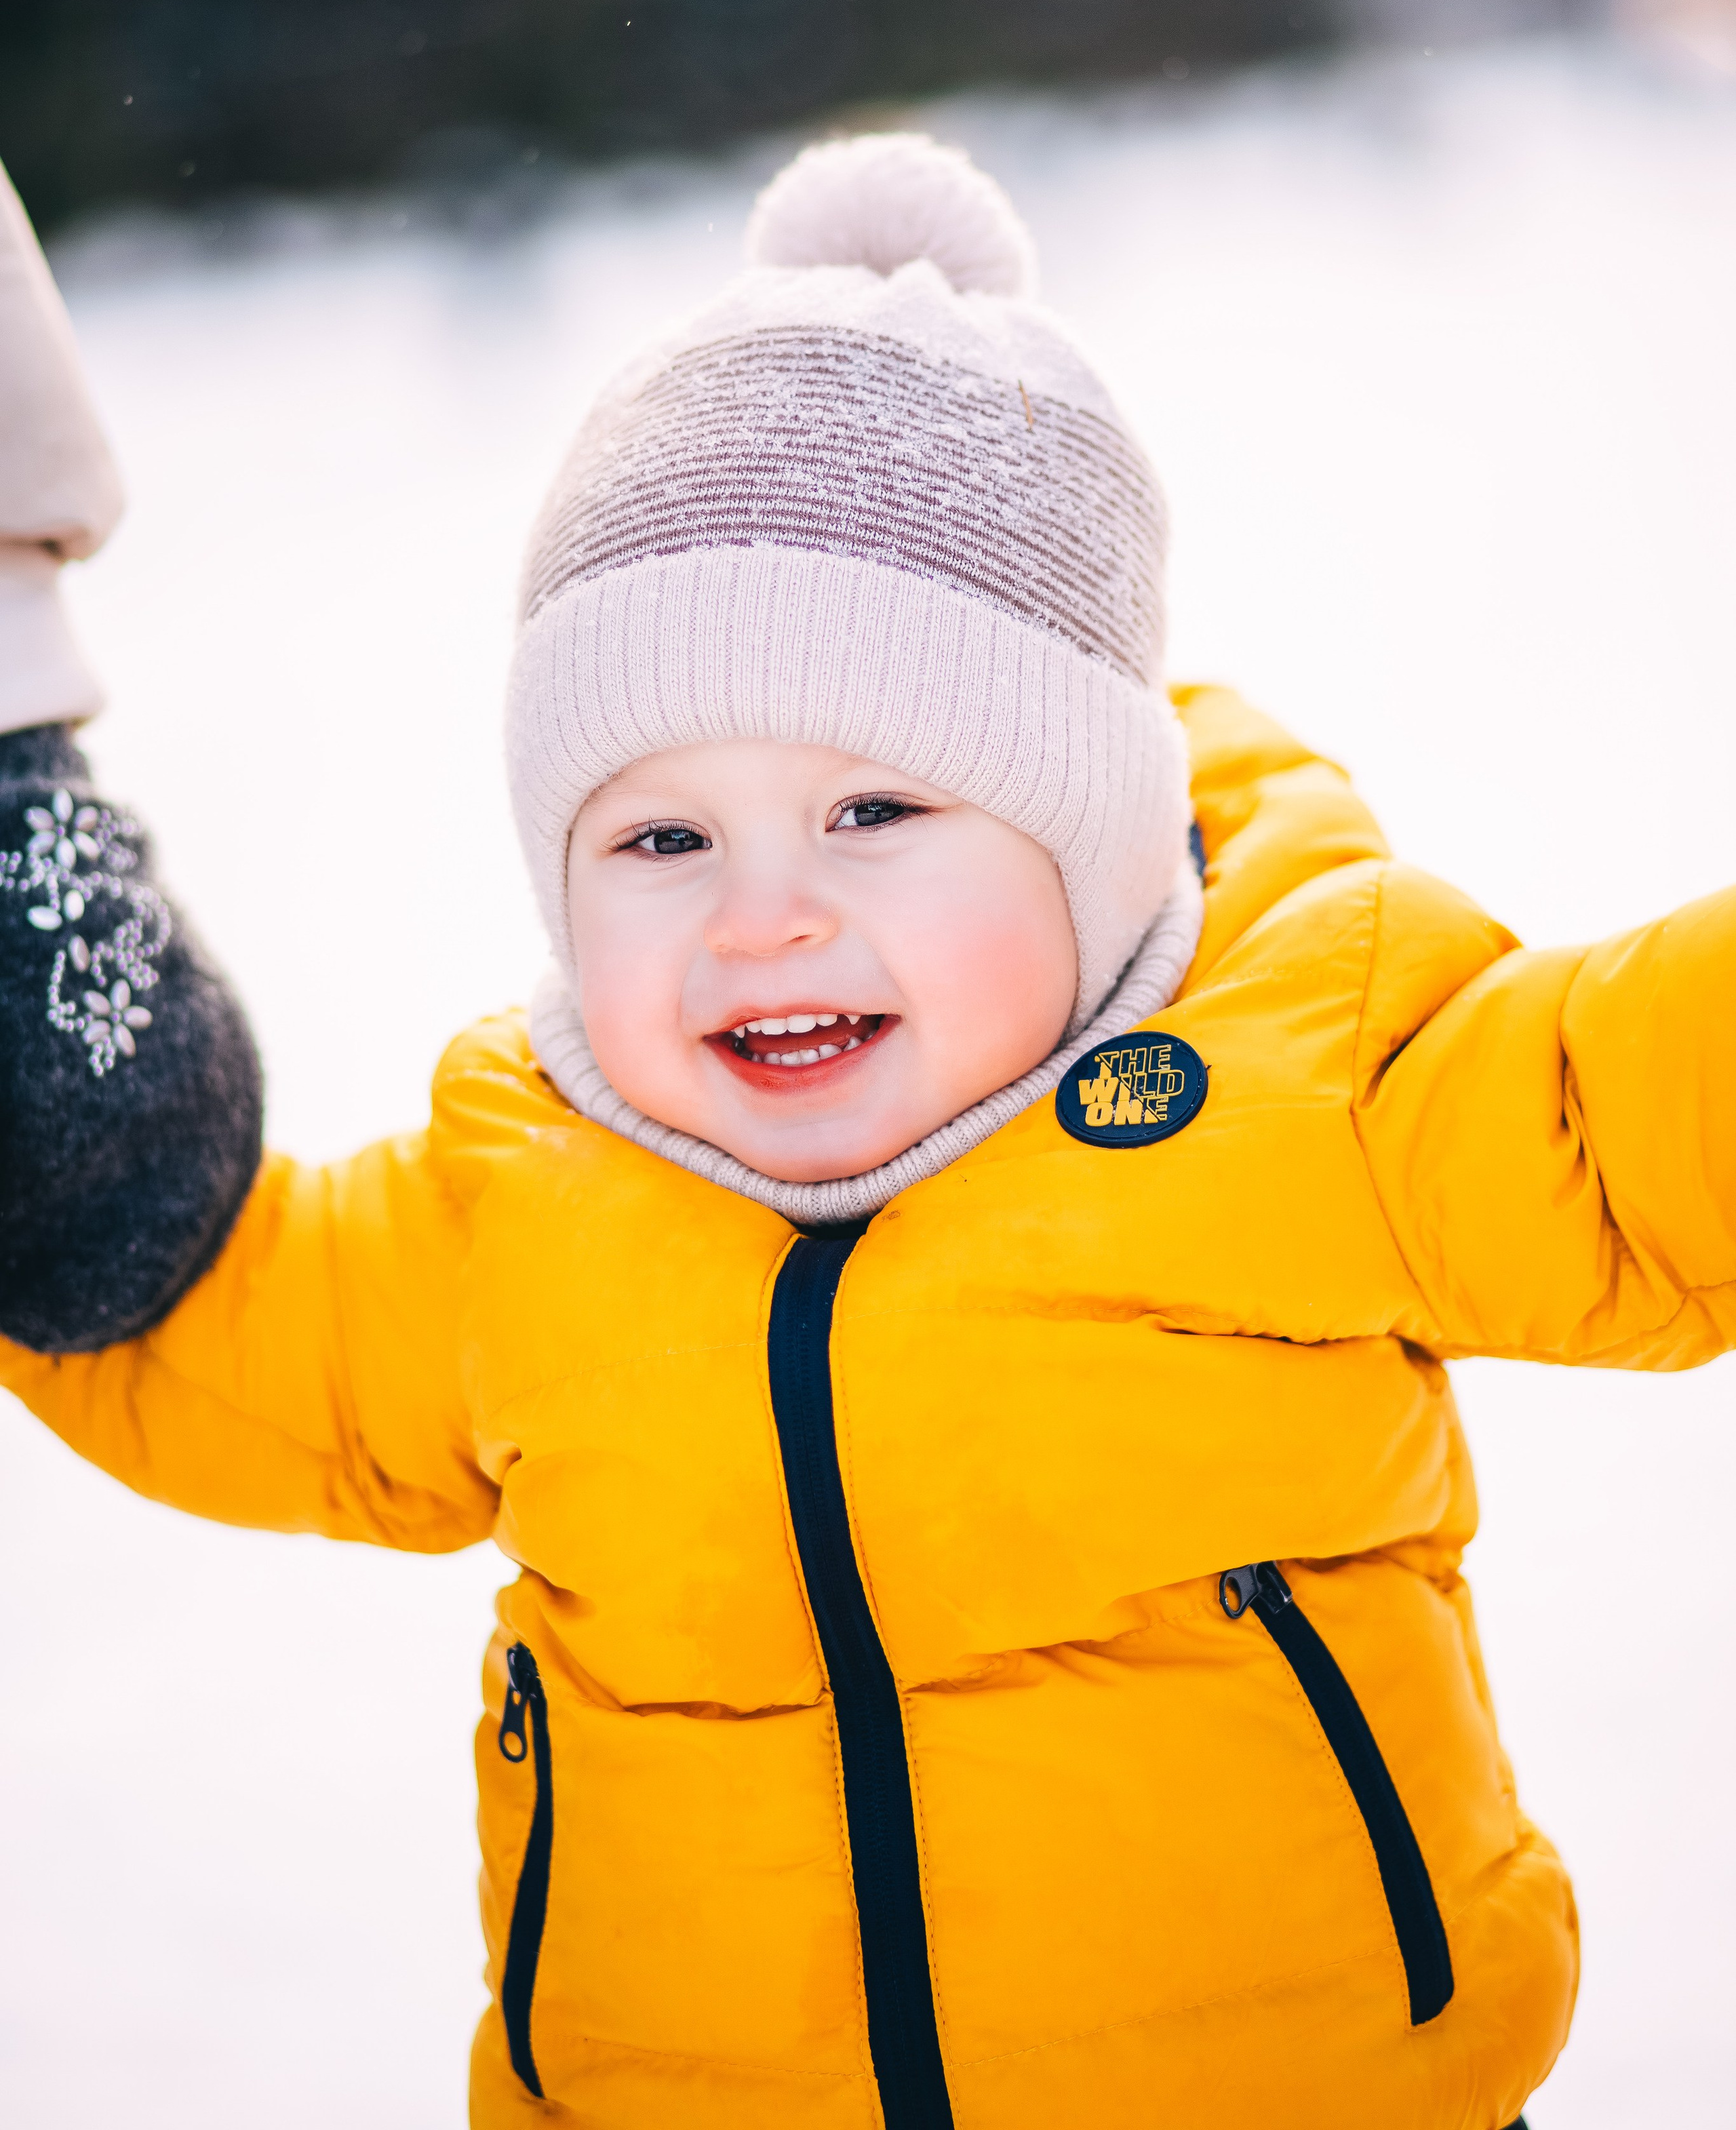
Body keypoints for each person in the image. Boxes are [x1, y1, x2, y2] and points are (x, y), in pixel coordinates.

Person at [3, 129, 1724, 2130]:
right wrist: (65, 1118)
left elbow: (1637, 1118)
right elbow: (195, 1323)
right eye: (661, 839)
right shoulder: (516, 1198)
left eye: (876, 811)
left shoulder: (1325, 1075)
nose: (763, 916)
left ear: (1085, 836)